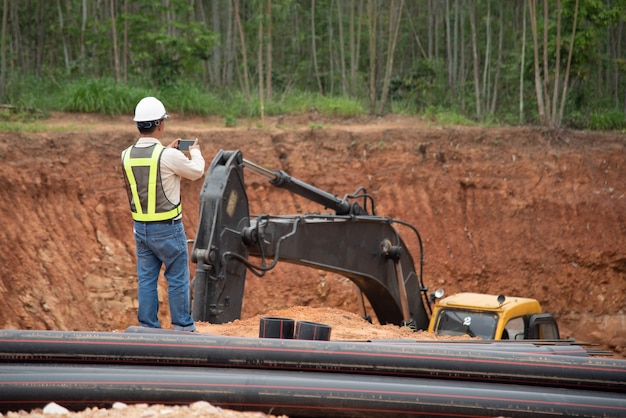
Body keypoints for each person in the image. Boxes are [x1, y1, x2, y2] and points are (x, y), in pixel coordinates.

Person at [121, 96, 205, 332]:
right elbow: (196, 171)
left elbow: (150, 170)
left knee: (147, 279)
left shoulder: (125, 155)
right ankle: (183, 327)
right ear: (160, 124)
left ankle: (148, 329)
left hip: (141, 228)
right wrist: (195, 152)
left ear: (139, 124)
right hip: (168, 228)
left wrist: (167, 152)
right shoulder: (168, 156)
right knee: (177, 278)